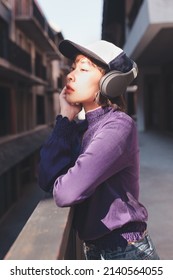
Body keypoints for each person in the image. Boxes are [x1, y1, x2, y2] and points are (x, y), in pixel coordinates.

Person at [38, 39, 159, 260]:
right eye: (73, 67)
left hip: (126, 252)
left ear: (109, 82)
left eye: (83, 69)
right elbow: (47, 179)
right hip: (96, 251)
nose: (71, 75)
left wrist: (65, 178)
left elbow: (65, 192)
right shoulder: (80, 128)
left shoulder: (118, 127)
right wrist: (65, 117)